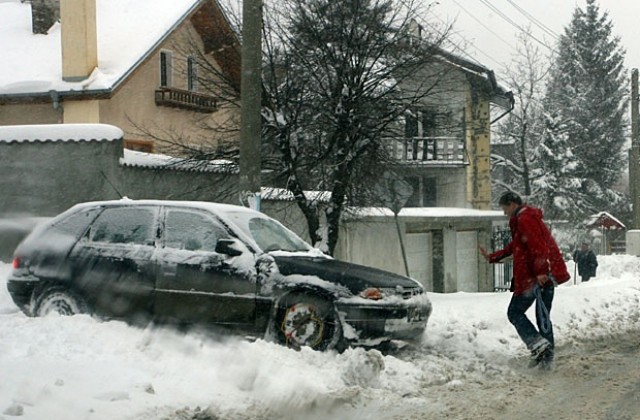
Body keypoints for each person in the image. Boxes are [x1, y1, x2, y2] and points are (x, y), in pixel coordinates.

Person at [480, 192, 570, 370]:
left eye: (505, 208)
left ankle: (540, 349)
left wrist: (541, 272)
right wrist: (493, 256)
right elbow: (517, 246)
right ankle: (544, 355)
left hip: (539, 277)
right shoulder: (525, 218)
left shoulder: (525, 219)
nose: (504, 213)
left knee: (516, 312)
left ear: (512, 204)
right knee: (541, 316)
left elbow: (538, 246)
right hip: (536, 276)